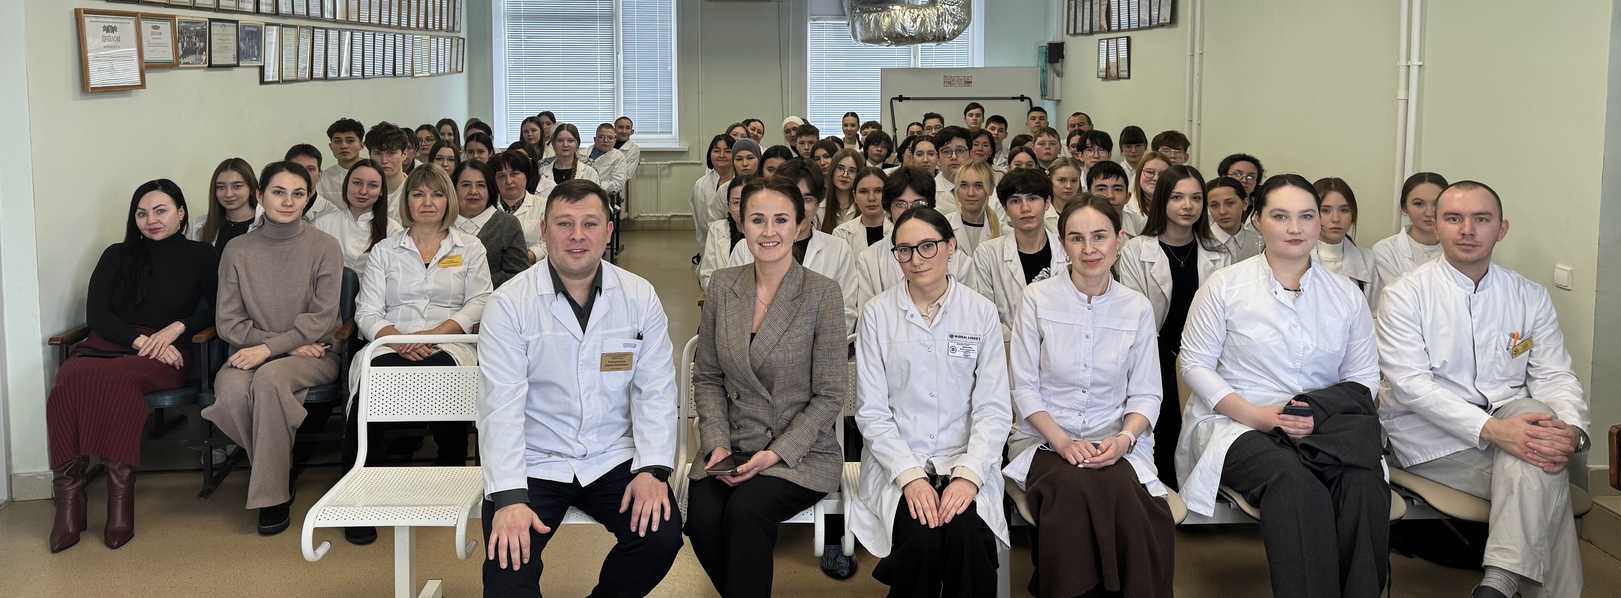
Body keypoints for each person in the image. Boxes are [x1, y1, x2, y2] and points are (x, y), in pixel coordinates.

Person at [1177, 174, 1388, 598]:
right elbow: (1194, 364)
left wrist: (1315, 413)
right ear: (1257, 220)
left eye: (1306, 216)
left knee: (1362, 483)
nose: (1295, 228)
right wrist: (1256, 416)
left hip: (1321, 424)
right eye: (1280, 216)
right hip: (1238, 423)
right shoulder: (1224, 286)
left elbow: (1364, 376)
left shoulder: (1346, 295)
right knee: (1294, 482)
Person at [1377, 181, 1588, 598]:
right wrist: (1495, 431)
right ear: (1437, 226)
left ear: (1501, 229)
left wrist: (1572, 432)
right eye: (1454, 218)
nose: (1467, 230)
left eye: (1481, 219)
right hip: (1433, 440)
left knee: (1536, 423)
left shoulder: (1529, 296)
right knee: (1543, 471)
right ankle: (1504, 583)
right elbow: (1412, 386)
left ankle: (1499, 582)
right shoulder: (1405, 295)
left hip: (1514, 425)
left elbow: (1555, 376)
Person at [479, 179, 682, 598]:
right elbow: (500, 406)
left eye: (589, 223)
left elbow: (656, 391)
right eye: (564, 223)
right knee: (508, 571)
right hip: (533, 459)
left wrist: (652, 470)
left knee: (660, 539)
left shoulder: (638, 295)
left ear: (608, 231)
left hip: (611, 455)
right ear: (544, 230)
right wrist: (510, 498)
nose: (577, 235)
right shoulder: (509, 303)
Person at [686, 177, 850, 597]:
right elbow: (708, 376)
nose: (769, 231)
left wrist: (775, 453)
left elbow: (830, 394)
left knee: (745, 513)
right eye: (757, 220)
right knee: (700, 520)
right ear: (742, 224)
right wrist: (716, 444)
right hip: (731, 443)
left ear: (800, 225)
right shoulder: (723, 285)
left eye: (781, 219)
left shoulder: (822, 294)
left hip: (799, 451)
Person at [1004, 196, 1175, 598]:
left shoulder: (1136, 307)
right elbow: (1024, 388)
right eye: (1076, 238)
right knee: (1074, 489)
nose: (1089, 249)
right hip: (1046, 440)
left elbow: (1147, 393)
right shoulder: (1037, 298)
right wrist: (1063, 442)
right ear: (1063, 243)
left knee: (1128, 501)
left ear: (1119, 239)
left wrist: (1125, 440)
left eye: (1099, 236)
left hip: (1115, 440)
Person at [47, 180, 217, 553]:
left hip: (169, 350)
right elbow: (97, 314)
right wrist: (139, 342)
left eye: (160, 210)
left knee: (120, 380)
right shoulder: (117, 255)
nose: (151, 220)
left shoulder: (202, 254)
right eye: (142, 213)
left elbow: (221, 308)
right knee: (68, 378)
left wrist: (178, 327)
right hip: (115, 342)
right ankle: (69, 499)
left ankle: (120, 499)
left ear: (181, 213)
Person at [852, 206, 1011, 597]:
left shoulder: (980, 312)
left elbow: (993, 409)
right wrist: (909, 476)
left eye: (928, 246)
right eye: (904, 250)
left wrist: (969, 475)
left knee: (967, 537)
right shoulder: (876, 314)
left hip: (965, 458)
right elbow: (872, 412)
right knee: (920, 541)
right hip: (899, 461)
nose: (916, 259)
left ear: (951, 246)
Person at [346, 166, 492, 544]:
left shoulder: (470, 247)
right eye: (418, 194)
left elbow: (480, 301)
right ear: (406, 200)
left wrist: (430, 336)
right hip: (390, 341)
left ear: (448, 200)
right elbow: (367, 311)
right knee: (375, 382)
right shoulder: (385, 250)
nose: (428, 202)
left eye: (437, 194)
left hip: (451, 342)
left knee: (443, 373)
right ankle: (357, 495)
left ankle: (450, 479)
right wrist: (398, 341)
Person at [202, 161, 343, 536]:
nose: (288, 201)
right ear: (260, 195)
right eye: (278, 192)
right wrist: (280, 347)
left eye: (298, 193)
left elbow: (320, 321)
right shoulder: (237, 249)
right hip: (265, 350)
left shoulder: (325, 247)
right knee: (231, 390)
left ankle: (272, 495)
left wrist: (270, 350)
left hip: (317, 353)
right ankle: (282, 465)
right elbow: (228, 323)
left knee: (268, 380)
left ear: (309, 197)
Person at [1117, 165, 1231, 488]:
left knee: (1203, 428)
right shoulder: (1137, 250)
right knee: (1166, 425)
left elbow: (1226, 315)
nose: (1188, 206)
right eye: (1178, 197)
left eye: (1196, 198)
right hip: (1156, 353)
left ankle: (1199, 492)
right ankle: (1164, 492)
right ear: (1162, 200)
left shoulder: (1219, 253)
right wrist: (1170, 360)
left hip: (1206, 355)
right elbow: (1137, 316)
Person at [729, 159, 859, 334]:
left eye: (808, 199)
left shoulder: (838, 250)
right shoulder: (745, 248)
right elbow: (733, 312)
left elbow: (844, 315)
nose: (799, 208)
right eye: (792, 197)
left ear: (818, 204)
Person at [855, 167, 979, 311]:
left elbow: (970, 311)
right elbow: (867, 315)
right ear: (888, 210)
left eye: (919, 204)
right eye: (900, 204)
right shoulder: (869, 260)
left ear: (931, 207)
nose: (910, 211)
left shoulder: (960, 261)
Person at [974, 168, 1067, 335]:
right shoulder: (987, 254)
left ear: (1047, 203)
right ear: (1005, 208)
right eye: (1015, 201)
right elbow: (983, 312)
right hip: (1007, 346)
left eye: (1033, 198)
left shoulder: (1067, 251)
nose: (1025, 208)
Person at [1369, 172, 1449, 311]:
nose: (1429, 213)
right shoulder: (1386, 250)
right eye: (1419, 204)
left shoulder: (1460, 247)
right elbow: (1398, 301)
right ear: (1405, 207)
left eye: (1436, 204)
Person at [312, 159, 402, 279]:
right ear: (347, 185)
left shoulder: (393, 231)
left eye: (372, 185)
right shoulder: (322, 225)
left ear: (381, 191)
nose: (363, 191)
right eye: (357, 183)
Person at [454, 159, 530, 288]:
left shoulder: (507, 224)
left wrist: (474, 284)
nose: (473, 191)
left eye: (481, 185)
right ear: (454, 189)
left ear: (490, 190)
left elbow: (519, 275)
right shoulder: (441, 223)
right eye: (466, 185)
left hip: (493, 298)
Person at [1311, 177, 1375, 292]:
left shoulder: (1368, 259)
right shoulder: (1295, 257)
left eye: (1344, 210)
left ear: (1353, 215)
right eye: (1325, 210)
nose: (1336, 219)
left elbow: (1374, 303)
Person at [490, 152, 554, 264]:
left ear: (526, 176)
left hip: (534, 266)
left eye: (514, 174)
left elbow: (552, 241)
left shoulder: (545, 206)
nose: (509, 181)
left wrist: (526, 257)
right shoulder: (488, 208)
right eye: (501, 176)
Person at [698, 176, 759, 293]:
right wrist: (729, 296)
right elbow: (707, 277)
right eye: (736, 202)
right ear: (728, 207)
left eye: (748, 201)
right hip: (722, 298)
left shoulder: (768, 233)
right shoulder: (717, 229)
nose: (742, 208)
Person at [193, 158, 261, 251]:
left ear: (252, 189)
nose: (228, 194)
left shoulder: (266, 224)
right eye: (221, 187)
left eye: (237, 186)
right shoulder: (200, 225)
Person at [689, 134, 735, 252]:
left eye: (728, 151)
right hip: (710, 242)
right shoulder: (701, 185)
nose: (721, 155)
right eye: (716, 151)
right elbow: (702, 224)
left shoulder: (741, 183)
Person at [945, 160, 1002, 256]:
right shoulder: (942, 226)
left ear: (991, 188)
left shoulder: (1004, 232)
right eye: (964, 185)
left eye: (978, 186)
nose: (970, 193)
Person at [833, 166, 892, 257]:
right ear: (854, 196)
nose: (871, 198)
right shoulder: (842, 234)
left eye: (878, 191)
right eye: (864, 191)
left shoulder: (898, 229)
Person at [1206, 176, 1264, 262]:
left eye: (1229, 203)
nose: (1222, 211)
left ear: (1245, 204)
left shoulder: (1259, 242)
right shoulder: (1200, 243)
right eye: (1214, 205)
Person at [318, 118, 366, 204]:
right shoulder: (322, 180)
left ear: (361, 145)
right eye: (338, 141)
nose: (343, 146)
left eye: (350, 141)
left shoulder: (375, 173)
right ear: (331, 146)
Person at [286, 144, 338, 222]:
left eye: (310, 169)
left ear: (319, 175)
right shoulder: (271, 207)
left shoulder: (333, 215)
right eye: (297, 168)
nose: (304, 174)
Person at [366, 123, 413, 210]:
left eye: (391, 153)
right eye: (378, 154)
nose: (384, 161)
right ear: (370, 155)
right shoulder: (363, 192)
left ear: (404, 155)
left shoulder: (414, 190)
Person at [1125, 151, 1172, 236]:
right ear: (1139, 174)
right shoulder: (1126, 209)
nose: (1156, 178)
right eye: (1150, 172)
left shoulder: (1176, 208)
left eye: (1163, 174)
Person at [581, 123, 630, 196]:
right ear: (595, 139)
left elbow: (618, 183)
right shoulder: (580, 153)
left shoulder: (618, 157)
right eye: (601, 137)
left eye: (610, 138)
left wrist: (594, 186)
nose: (605, 140)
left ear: (615, 141)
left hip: (601, 195)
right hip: (578, 192)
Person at [932, 127, 973, 215]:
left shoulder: (986, 189)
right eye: (946, 151)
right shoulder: (929, 192)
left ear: (970, 155)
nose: (954, 157)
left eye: (960, 151)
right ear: (937, 157)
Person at [822, 147, 864, 231]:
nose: (845, 175)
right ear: (832, 170)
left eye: (852, 170)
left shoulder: (864, 207)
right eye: (840, 168)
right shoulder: (819, 209)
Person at [1087, 160, 1133, 235]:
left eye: (1117, 190)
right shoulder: (1074, 225)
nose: (1110, 195)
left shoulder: (1143, 227)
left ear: (1127, 197)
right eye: (1101, 190)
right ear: (1088, 195)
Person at [613, 116, 642, 190]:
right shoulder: (604, 144)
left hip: (615, 186)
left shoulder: (634, 150)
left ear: (632, 132)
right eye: (620, 127)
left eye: (627, 128)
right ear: (614, 130)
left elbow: (627, 174)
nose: (624, 131)